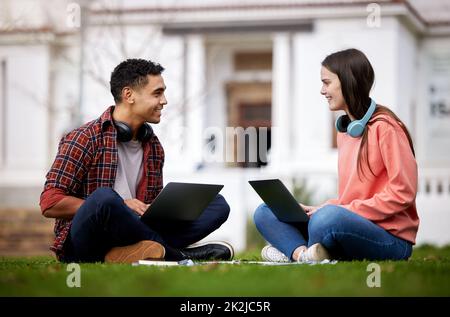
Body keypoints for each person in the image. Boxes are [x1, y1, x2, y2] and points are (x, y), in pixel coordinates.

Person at [40, 58, 234, 263]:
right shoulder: (84, 138)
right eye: (157, 93)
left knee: (216, 205)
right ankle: (176, 254)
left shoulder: (154, 146)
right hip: (89, 237)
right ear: (128, 95)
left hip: (135, 229)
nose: (164, 101)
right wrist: (121, 205)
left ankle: (135, 252)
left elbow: (150, 204)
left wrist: (159, 206)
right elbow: (49, 202)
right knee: (105, 199)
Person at [254, 48, 419, 262]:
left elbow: (402, 193)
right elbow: (351, 198)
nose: (322, 91)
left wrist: (335, 211)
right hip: (347, 224)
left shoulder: (386, 128)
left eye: (326, 82)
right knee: (265, 212)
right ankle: (302, 254)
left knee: (327, 219)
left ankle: (294, 250)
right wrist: (320, 208)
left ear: (348, 81)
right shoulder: (346, 132)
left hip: (390, 239)